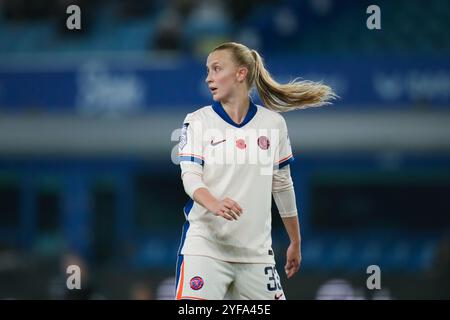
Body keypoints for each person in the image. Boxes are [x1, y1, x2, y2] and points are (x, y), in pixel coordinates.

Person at [175, 42, 336, 300]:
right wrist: (213, 202)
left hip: (256, 256)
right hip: (206, 249)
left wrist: (295, 240)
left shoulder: (273, 124)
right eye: (207, 70)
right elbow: (190, 176)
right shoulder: (198, 121)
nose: (209, 78)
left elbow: (282, 185)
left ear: (241, 73)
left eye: (216, 69)